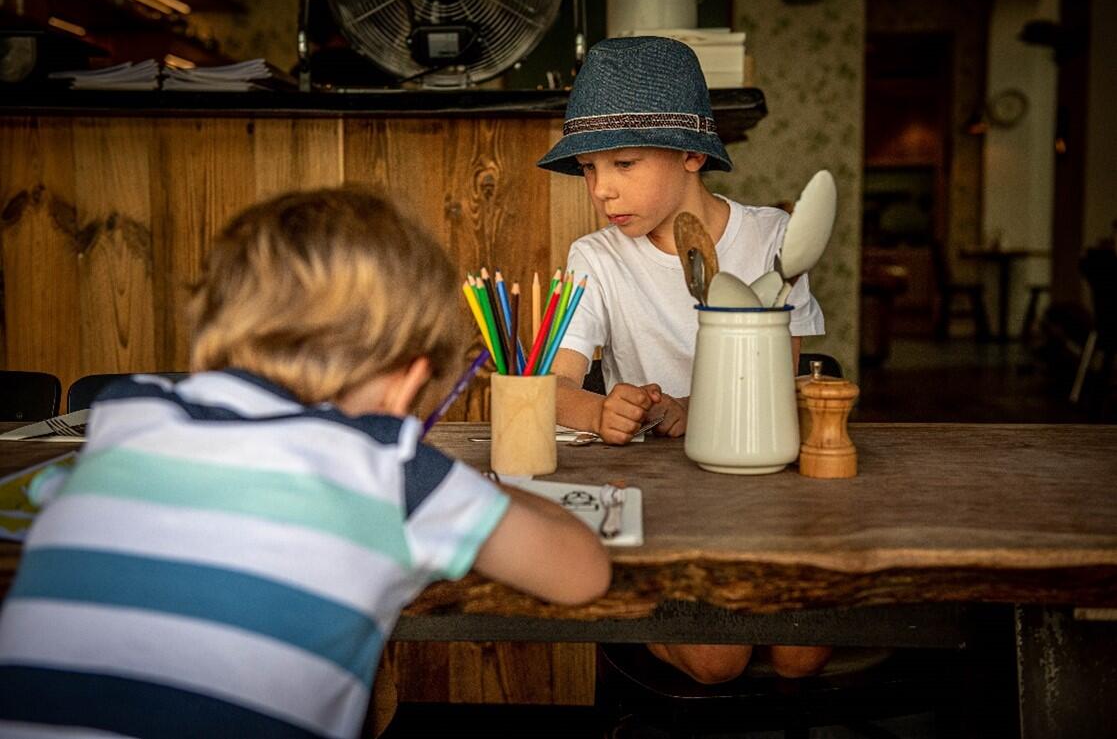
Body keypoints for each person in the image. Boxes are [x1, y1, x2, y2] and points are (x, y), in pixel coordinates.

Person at [0, 188, 611, 738]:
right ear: (408, 383)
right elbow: (582, 574)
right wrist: (478, 490)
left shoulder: (128, 414)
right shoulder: (387, 467)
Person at [537, 36, 829, 683]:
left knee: (802, 653)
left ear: (692, 153)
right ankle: (625, 599)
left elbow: (780, 384)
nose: (602, 191)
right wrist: (599, 409)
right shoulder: (596, 258)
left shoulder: (770, 242)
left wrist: (688, 408)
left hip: (761, 489)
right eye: (588, 170)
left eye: (623, 163)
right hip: (655, 496)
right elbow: (551, 390)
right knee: (715, 657)